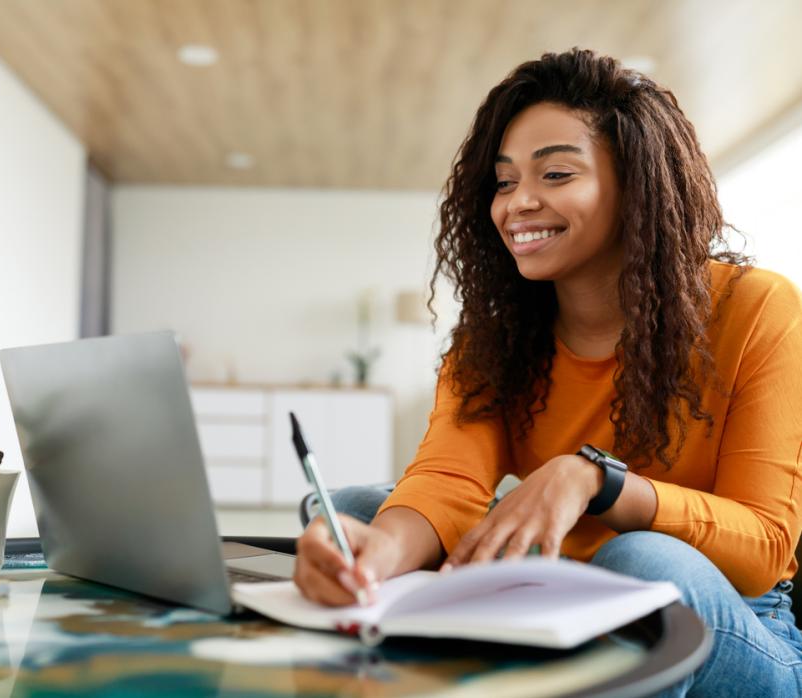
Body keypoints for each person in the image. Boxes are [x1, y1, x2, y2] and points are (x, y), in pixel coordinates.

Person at [294, 49, 802, 696]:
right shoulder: (497, 338)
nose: (519, 204)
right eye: (504, 183)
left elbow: (762, 549)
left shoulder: (759, 309)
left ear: (637, 183)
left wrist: (600, 482)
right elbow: (447, 479)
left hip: (733, 626)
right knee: (355, 513)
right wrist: (374, 560)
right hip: (557, 599)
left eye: (556, 174)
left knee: (640, 562)